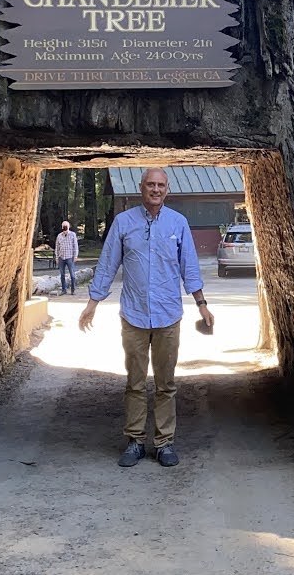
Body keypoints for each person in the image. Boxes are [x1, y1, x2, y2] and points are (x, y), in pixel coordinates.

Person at [79, 167, 212, 467]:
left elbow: (189, 267)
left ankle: (164, 442)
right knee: (135, 382)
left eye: (160, 185)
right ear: (141, 188)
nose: (155, 189)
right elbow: (108, 263)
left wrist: (202, 304)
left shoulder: (178, 223)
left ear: (167, 189)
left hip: (168, 316)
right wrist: (92, 303)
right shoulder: (123, 223)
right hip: (134, 315)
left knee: (166, 383)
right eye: (150, 184)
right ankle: (135, 441)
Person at [54, 219, 80, 295]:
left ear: (69, 227)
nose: (65, 228)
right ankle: (63, 289)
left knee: (72, 274)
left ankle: (73, 289)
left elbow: (75, 246)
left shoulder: (72, 235)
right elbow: (57, 247)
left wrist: (75, 256)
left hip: (69, 257)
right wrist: (57, 257)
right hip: (61, 257)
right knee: (62, 275)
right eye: (63, 227)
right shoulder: (59, 236)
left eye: (66, 227)